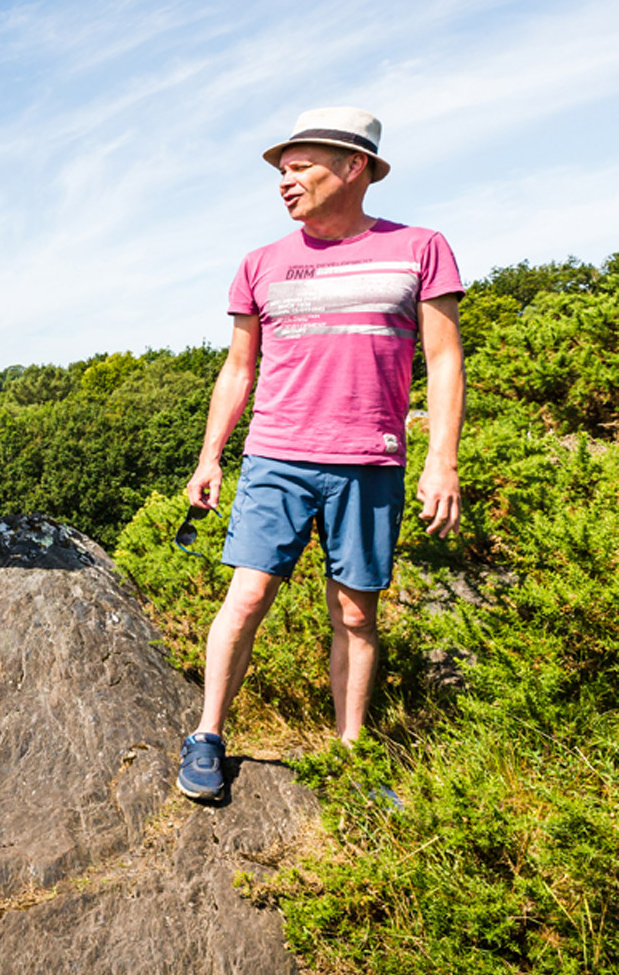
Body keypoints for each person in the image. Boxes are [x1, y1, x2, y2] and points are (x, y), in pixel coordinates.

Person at [178, 107, 465, 802]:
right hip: (277, 457)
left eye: (301, 165)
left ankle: (351, 756)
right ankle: (208, 735)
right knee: (246, 597)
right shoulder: (260, 264)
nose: (286, 181)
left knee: (358, 613)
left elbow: (446, 359)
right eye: (282, 170)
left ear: (353, 166)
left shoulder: (421, 248)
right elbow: (238, 368)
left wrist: (442, 459)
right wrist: (210, 455)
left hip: (371, 461)